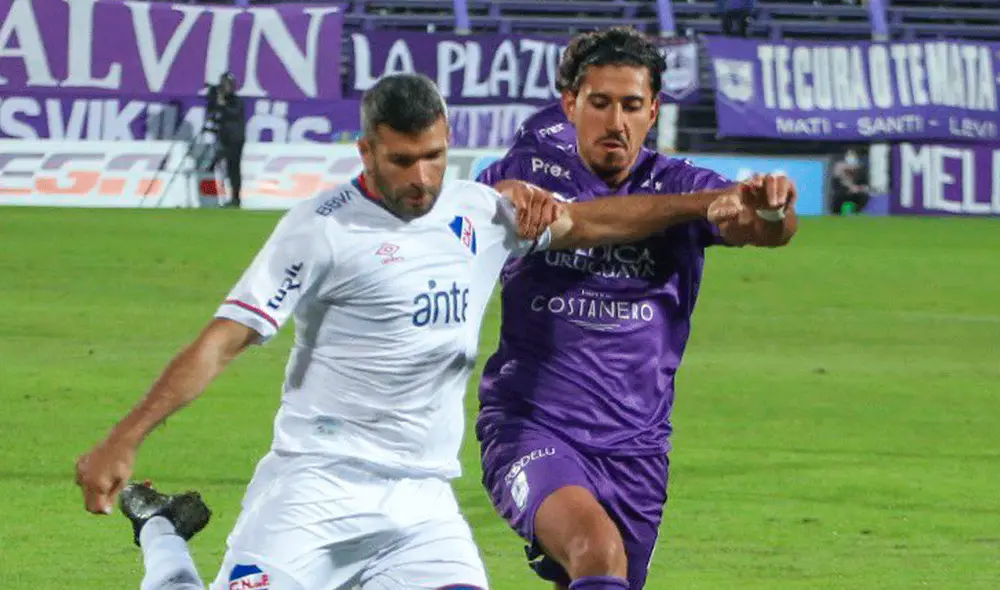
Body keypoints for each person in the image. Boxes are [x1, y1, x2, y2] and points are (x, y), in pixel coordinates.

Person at [74, 73, 755, 590]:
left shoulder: (484, 213)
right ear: (366, 149)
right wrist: (124, 437)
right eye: (402, 161)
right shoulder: (321, 230)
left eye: (433, 156)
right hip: (316, 486)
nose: (422, 178)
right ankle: (160, 526)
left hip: (421, 503)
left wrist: (712, 203)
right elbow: (224, 338)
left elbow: (597, 222)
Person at [475, 27, 798, 590]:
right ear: (571, 104)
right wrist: (507, 195)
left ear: (653, 111)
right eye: (599, 104)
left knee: (606, 575)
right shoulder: (533, 174)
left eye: (631, 106)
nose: (615, 122)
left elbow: (759, 229)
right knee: (594, 551)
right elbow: (548, 214)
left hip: (637, 448)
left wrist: (770, 211)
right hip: (530, 427)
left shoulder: (679, 181)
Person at [206, 72, 246, 208]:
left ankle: (236, 199)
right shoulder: (220, 99)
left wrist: (222, 104)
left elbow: (233, 114)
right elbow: (211, 112)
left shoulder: (236, 101)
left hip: (235, 139)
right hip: (223, 138)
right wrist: (213, 97)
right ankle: (222, 197)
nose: (224, 87)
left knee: (233, 168)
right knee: (227, 168)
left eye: (227, 84)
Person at [829, 149, 871, 215]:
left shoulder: (861, 170)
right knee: (837, 197)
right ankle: (836, 214)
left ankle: (857, 212)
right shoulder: (839, 168)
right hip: (844, 192)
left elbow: (865, 185)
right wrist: (849, 187)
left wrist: (858, 188)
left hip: (856, 193)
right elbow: (836, 181)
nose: (851, 158)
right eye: (849, 156)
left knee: (864, 195)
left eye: (853, 156)